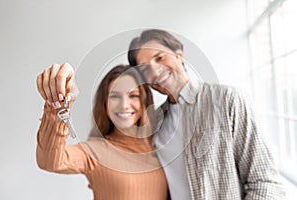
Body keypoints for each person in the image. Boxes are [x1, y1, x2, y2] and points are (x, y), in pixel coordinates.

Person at [127, 29, 286, 199]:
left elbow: (265, 183)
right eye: (145, 69)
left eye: (160, 57)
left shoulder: (227, 100)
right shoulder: (155, 121)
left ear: (179, 55)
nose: (155, 71)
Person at [36, 64, 168, 200]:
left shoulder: (161, 149)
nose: (124, 105)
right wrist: (58, 105)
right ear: (104, 103)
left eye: (133, 95)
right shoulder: (95, 151)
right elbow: (50, 160)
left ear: (145, 102)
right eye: (115, 96)